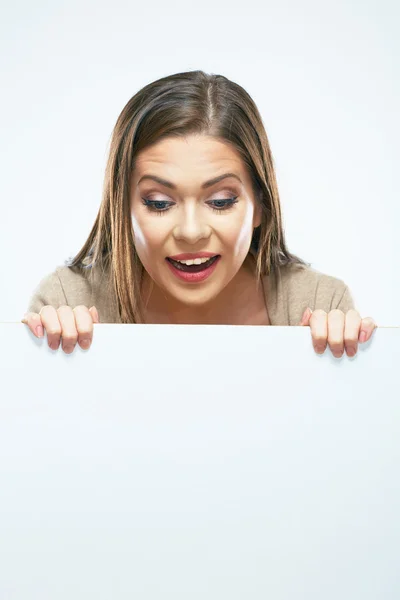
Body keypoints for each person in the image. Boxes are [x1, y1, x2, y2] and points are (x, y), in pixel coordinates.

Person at [22, 70, 376, 356]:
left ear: (260, 206)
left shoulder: (318, 304)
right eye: (159, 203)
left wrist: (349, 365)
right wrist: (47, 359)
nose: (191, 232)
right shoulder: (67, 300)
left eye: (220, 201)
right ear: (122, 208)